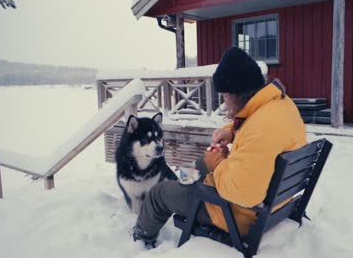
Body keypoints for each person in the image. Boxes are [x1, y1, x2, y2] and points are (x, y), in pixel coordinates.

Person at [132, 46, 308, 247]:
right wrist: (232, 131)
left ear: (239, 93)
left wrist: (218, 162)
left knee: (158, 193)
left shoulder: (259, 129)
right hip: (275, 200)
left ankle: (141, 237)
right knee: (198, 164)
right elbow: (257, 126)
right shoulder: (280, 105)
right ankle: (184, 185)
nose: (224, 103)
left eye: (225, 96)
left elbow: (243, 194)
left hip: (236, 214)